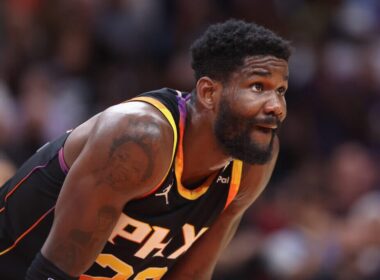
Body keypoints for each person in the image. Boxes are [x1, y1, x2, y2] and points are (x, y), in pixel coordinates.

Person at [0, 19, 291, 279]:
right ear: (208, 93)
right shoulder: (140, 139)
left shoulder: (251, 162)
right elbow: (51, 273)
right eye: (257, 87)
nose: (276, 107)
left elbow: (192, 274)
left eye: (280, 91)